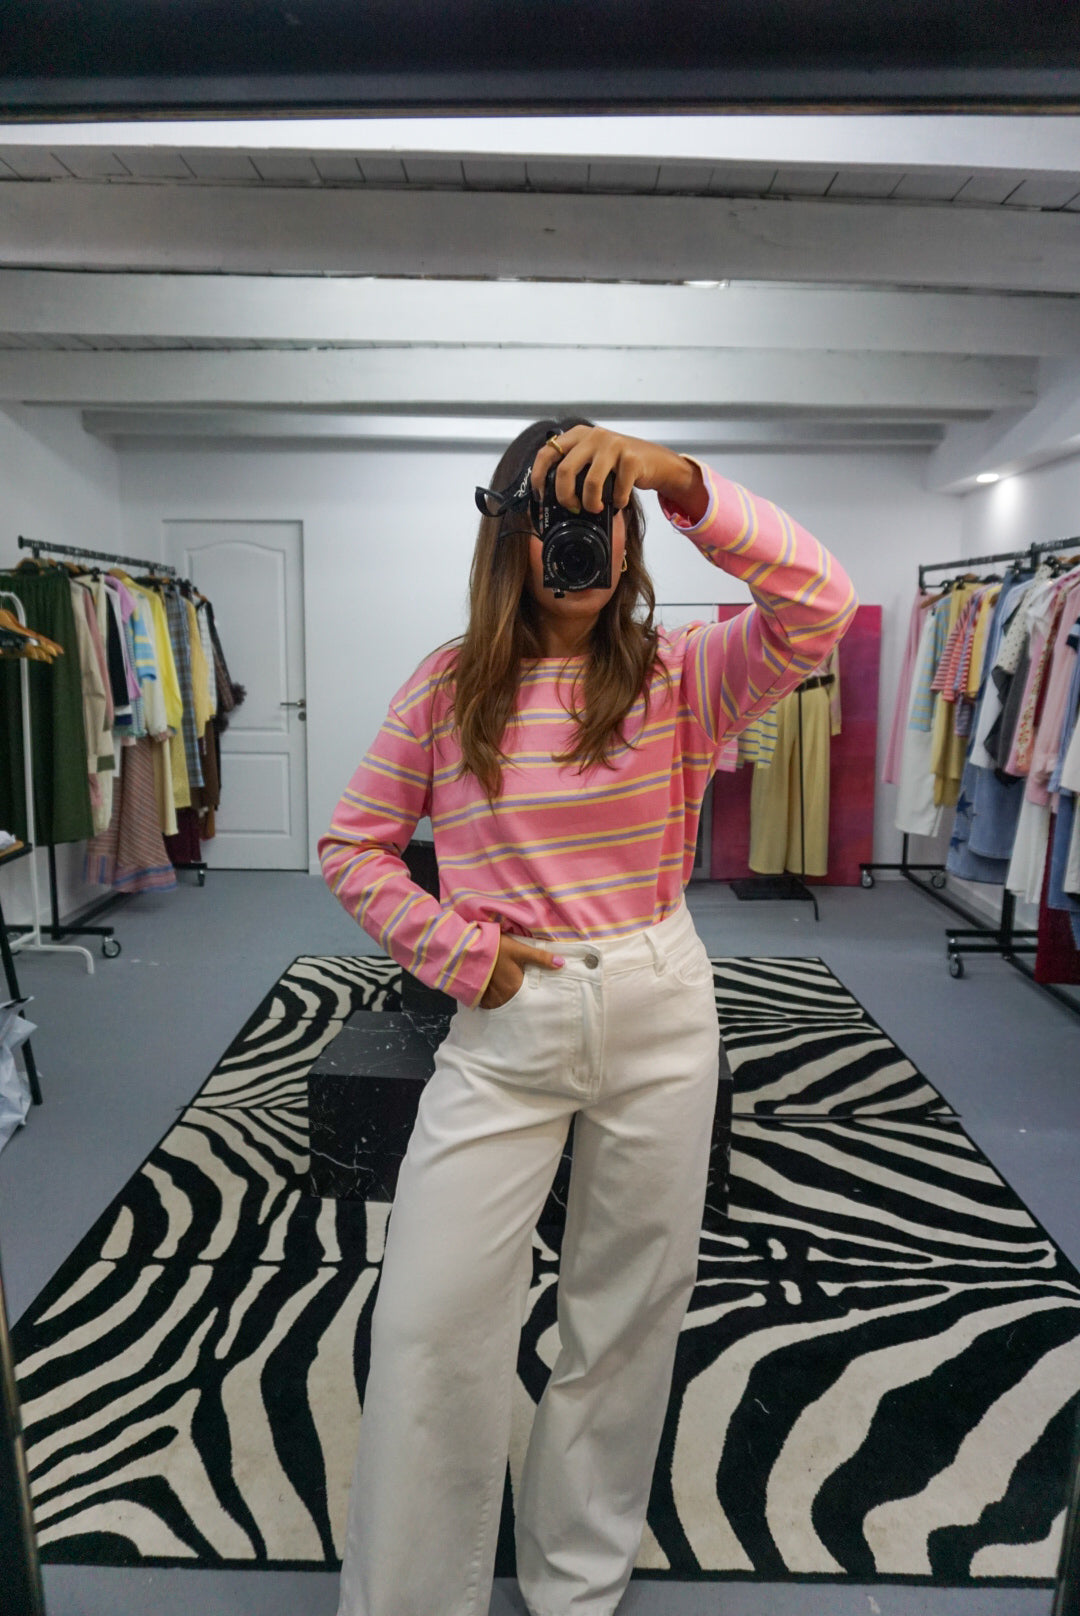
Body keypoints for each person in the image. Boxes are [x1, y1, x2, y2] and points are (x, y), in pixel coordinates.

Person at [318, 417, 858, 1616]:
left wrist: (678, 479)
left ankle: (576, 1582)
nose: (588, 540)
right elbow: (352, 845)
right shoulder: (447, 685)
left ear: (632, 531)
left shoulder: (682, 673)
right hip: (506, 1022)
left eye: (608, 513)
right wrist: (461, 954)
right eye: (561, 515)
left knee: (624, 1318)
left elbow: (822, 603)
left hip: (660, 1009)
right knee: (428, 1322)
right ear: (510, 533)